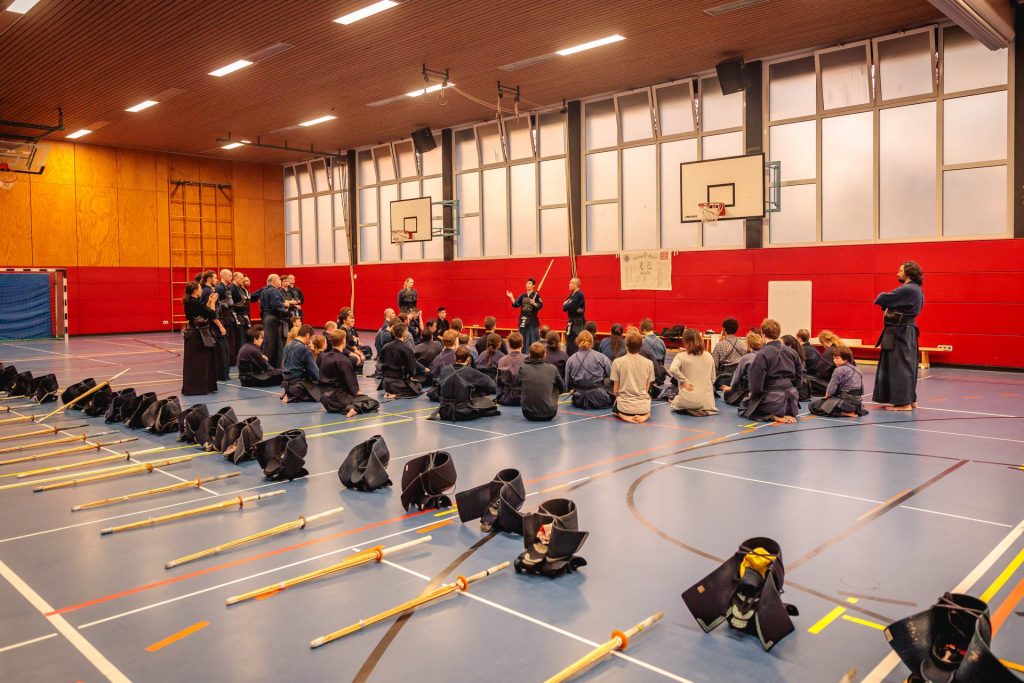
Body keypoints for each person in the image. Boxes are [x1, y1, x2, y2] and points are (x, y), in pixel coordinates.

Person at [873, 261, 925, 411]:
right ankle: (910, 400)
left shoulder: (907, 289)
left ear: (908, 273)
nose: (897, 273)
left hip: (901, 332)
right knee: (907, 366)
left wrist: (885, 298)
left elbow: (881, 299)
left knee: (900, 367)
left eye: (900, 270)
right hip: (905, 331)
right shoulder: (916, 289)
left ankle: (904, 403)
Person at [740, 319, 803, 423]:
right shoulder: (792, 352)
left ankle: (772, 416)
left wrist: (754, 398)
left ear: (762, 334)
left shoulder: (762, 354)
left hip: (773, 400)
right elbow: (799, 378)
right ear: (779, 333)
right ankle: (783, 413)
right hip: (792, 401)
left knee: (744, 406)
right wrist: (794, 392)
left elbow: (756, 385)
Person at [319, 330, 379, 417]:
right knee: (373, 402)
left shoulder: (324, 357)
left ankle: (348, 407)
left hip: (325, 400)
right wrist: (359, 393)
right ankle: (353, 408)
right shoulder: (343, 360)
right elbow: (351, 383)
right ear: (344, 341)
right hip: (339, 398)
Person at [435, 347, 499, 421]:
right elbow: (492, 385)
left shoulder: (444, 370)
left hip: (444, 411)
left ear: (454, 357)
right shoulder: (471, 372)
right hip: (463, 413)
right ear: (468, 359)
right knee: (484, 393)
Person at [181, 281, 220, 395]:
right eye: (200, 288)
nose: (201, 290)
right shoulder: (195, 303)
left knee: (194, 362)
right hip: (198, 335)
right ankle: (199, 388)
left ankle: (196, 387)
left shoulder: (190, 302)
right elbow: (212, 314)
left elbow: (203, 311)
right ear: (195, 290)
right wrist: (213, 302)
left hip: (193, 333)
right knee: (201, 362)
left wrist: (208, 302)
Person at [669, 329, 719, 416]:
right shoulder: (709, 356)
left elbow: (673, 369)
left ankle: (689, 407)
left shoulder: (680, 356)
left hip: (686, 399)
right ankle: (699, 409)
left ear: (685, 342)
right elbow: (713, 379)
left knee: (675, 403)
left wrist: (684, 380)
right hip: (706, 402)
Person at [810, 346, 868, 417]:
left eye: (837, 358)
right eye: (833, 358)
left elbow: (831, 389)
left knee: (813, 406)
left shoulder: (839, 370)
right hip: (857, 405)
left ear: (846, 358)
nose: (834, 360)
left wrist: (826, 397)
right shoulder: (857, 369)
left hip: (845, 403)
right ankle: (851, 411)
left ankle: (846, 413)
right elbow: (862, 390)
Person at [610, 331, 655, 423]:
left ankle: (623, 415)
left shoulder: (617, 362)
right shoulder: (649, 363)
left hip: (625, 408)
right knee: (646, 409)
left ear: (626, 345)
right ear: (641, 345)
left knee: (615, 410)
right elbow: (646, 389)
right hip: (644, 407)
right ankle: (646, 415)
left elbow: (616, 391)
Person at [565, 330, 613, 409]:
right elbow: (613, 375)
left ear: (577, 341)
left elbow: (567, 385)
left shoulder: (570, 360)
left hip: (578, 400)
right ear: (592, 341)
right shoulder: (601, 357)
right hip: (600, 399)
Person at [518, 342, 566, 421]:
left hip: (528, 413)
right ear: (544, 355)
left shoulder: (523, 368)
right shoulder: (553, 369)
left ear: (529, 354)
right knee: (555, 385)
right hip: (549, 413)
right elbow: (563, 388)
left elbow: (518, 385)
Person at [377, 322, 425, 398]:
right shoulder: (407, 348)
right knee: (418, 386)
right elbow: (412, 368)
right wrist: (411, 376)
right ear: (404, 333)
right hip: (398, 382)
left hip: (385, 382)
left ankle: (390, 391)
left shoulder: (386, 346)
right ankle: (395, 394)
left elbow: (381, 360)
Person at [723, 331, 764, 406]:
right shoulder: (767, 356)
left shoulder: (746, 358)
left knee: (727, 393)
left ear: (748, 345)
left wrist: (731, 388)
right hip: (767, 390)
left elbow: (736, 378)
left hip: (751, 391)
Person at [281, 325, 319, 403]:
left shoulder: (288, 346)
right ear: (307, 335)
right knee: (323, 394)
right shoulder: (304, 349)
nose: (310, 341)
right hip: (299, 386)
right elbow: (315, 373)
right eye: (311, 338)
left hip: (286, 384)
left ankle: (290, 394)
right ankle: (293, 396)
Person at [259, 274, 290, 368]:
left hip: (266, 317)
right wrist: (285, 306)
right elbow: (276, 303)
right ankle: (274, 367)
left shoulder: (264, 290)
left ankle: (268, 365)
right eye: (279, 280)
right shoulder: (273, 291)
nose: (280, 281)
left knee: (269, 343)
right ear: (273, 281)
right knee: (275, 344)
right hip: (273, 318)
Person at [711, 318, 749, 391]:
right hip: (740, 379)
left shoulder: (719, 345)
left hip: (724, 379)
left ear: (724, 329)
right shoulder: (743, 344)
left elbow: (714, 364)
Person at [507, 278, 543, 347]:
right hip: (523, 320)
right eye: (527, 283)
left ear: (533, 285)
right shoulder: (522, 296)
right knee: (522, 338)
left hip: (532, 320)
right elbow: (515, 304)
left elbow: (540, 305)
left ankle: (533, 352)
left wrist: (534, 303)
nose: (527, 285)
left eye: (529, 283)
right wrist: (511, 297)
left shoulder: (536, 296)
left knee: (533, 339)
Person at [215, 268, 240, 364]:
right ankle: (226, 360)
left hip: (230, 316)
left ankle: (231, 359)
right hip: (224, 318)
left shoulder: (227, 287)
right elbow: (217, 304)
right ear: (223, 276)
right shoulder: (219, 288)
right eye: (229, 276)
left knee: (232, 340)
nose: (231, 278)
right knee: (227, 340)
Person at [496, 331, 527, 406]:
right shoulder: (528, 360)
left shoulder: (501, 360)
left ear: (509, 345)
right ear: (522, 344)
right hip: (523, 398)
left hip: (505, 398)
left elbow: (498, 381)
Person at [640, 319, 668, 395]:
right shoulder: (662, 342)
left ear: (643, 330)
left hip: (647, 374)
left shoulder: (642, 342)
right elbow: (663, 359)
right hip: (660, 374)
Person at [338, 307, 370, 372]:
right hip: (343, 351)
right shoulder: (342, 331)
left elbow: (352, 344)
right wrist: (356, 354)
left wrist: (358, 352)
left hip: (349, 349)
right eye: (350, 318)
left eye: (353, 319)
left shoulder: (348, 329)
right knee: (356, 358)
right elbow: (345, 346)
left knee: (364, 351)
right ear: (344, 320)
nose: (353, 320)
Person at [562, 277, 586, 356]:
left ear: (576, 285)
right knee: (568, 341)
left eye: (571, 283)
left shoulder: (579, 294)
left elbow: (569, 306)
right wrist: (567, 305)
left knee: (574, 342)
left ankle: (575, 357)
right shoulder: (571, 295)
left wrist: (567, 304)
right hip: (571, 321)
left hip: (577, 323)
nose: (569, 285)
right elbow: (564, 308)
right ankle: (569, 358)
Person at [230, 272, 251, 357]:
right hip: (236, 317)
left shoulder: (240, 288)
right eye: (241, 278)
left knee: (244, 337)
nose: (243, 280)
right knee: (239, 339)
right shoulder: (231, 288)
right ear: (235, 278)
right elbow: (230, 304)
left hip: (243, 316)